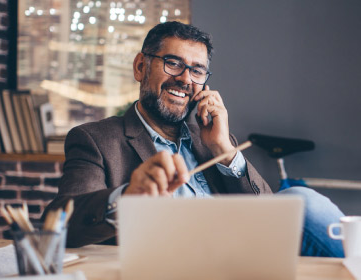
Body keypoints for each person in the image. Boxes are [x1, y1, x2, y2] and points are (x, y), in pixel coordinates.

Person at [43, 21, 344, 257]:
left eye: (197, 70)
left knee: (300, 201)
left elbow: (266, 211)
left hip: (240, 258)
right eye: (173, 63)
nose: (186, 79)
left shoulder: (211, 139)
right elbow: (57, 224)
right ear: (140, 67)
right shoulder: (95, 139)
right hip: (168, 263)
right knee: (302, 200)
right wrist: (128, 197)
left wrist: (226, 151)